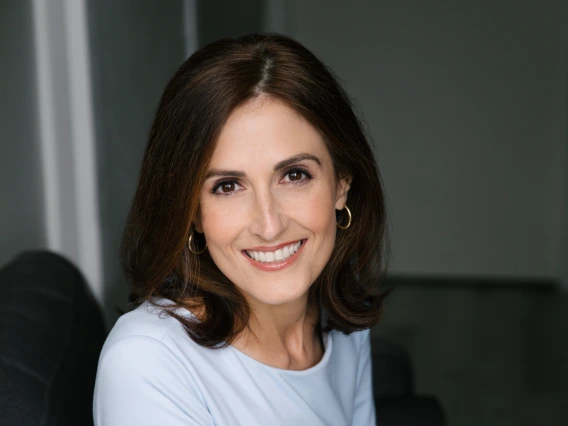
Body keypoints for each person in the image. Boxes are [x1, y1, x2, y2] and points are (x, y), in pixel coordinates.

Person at [93, 33, 390, 426]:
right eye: (227, 186)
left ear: (341, 184)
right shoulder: (147, 364)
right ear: (192, 212)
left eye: (295, 175)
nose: (269, 225)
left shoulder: (340, 320)